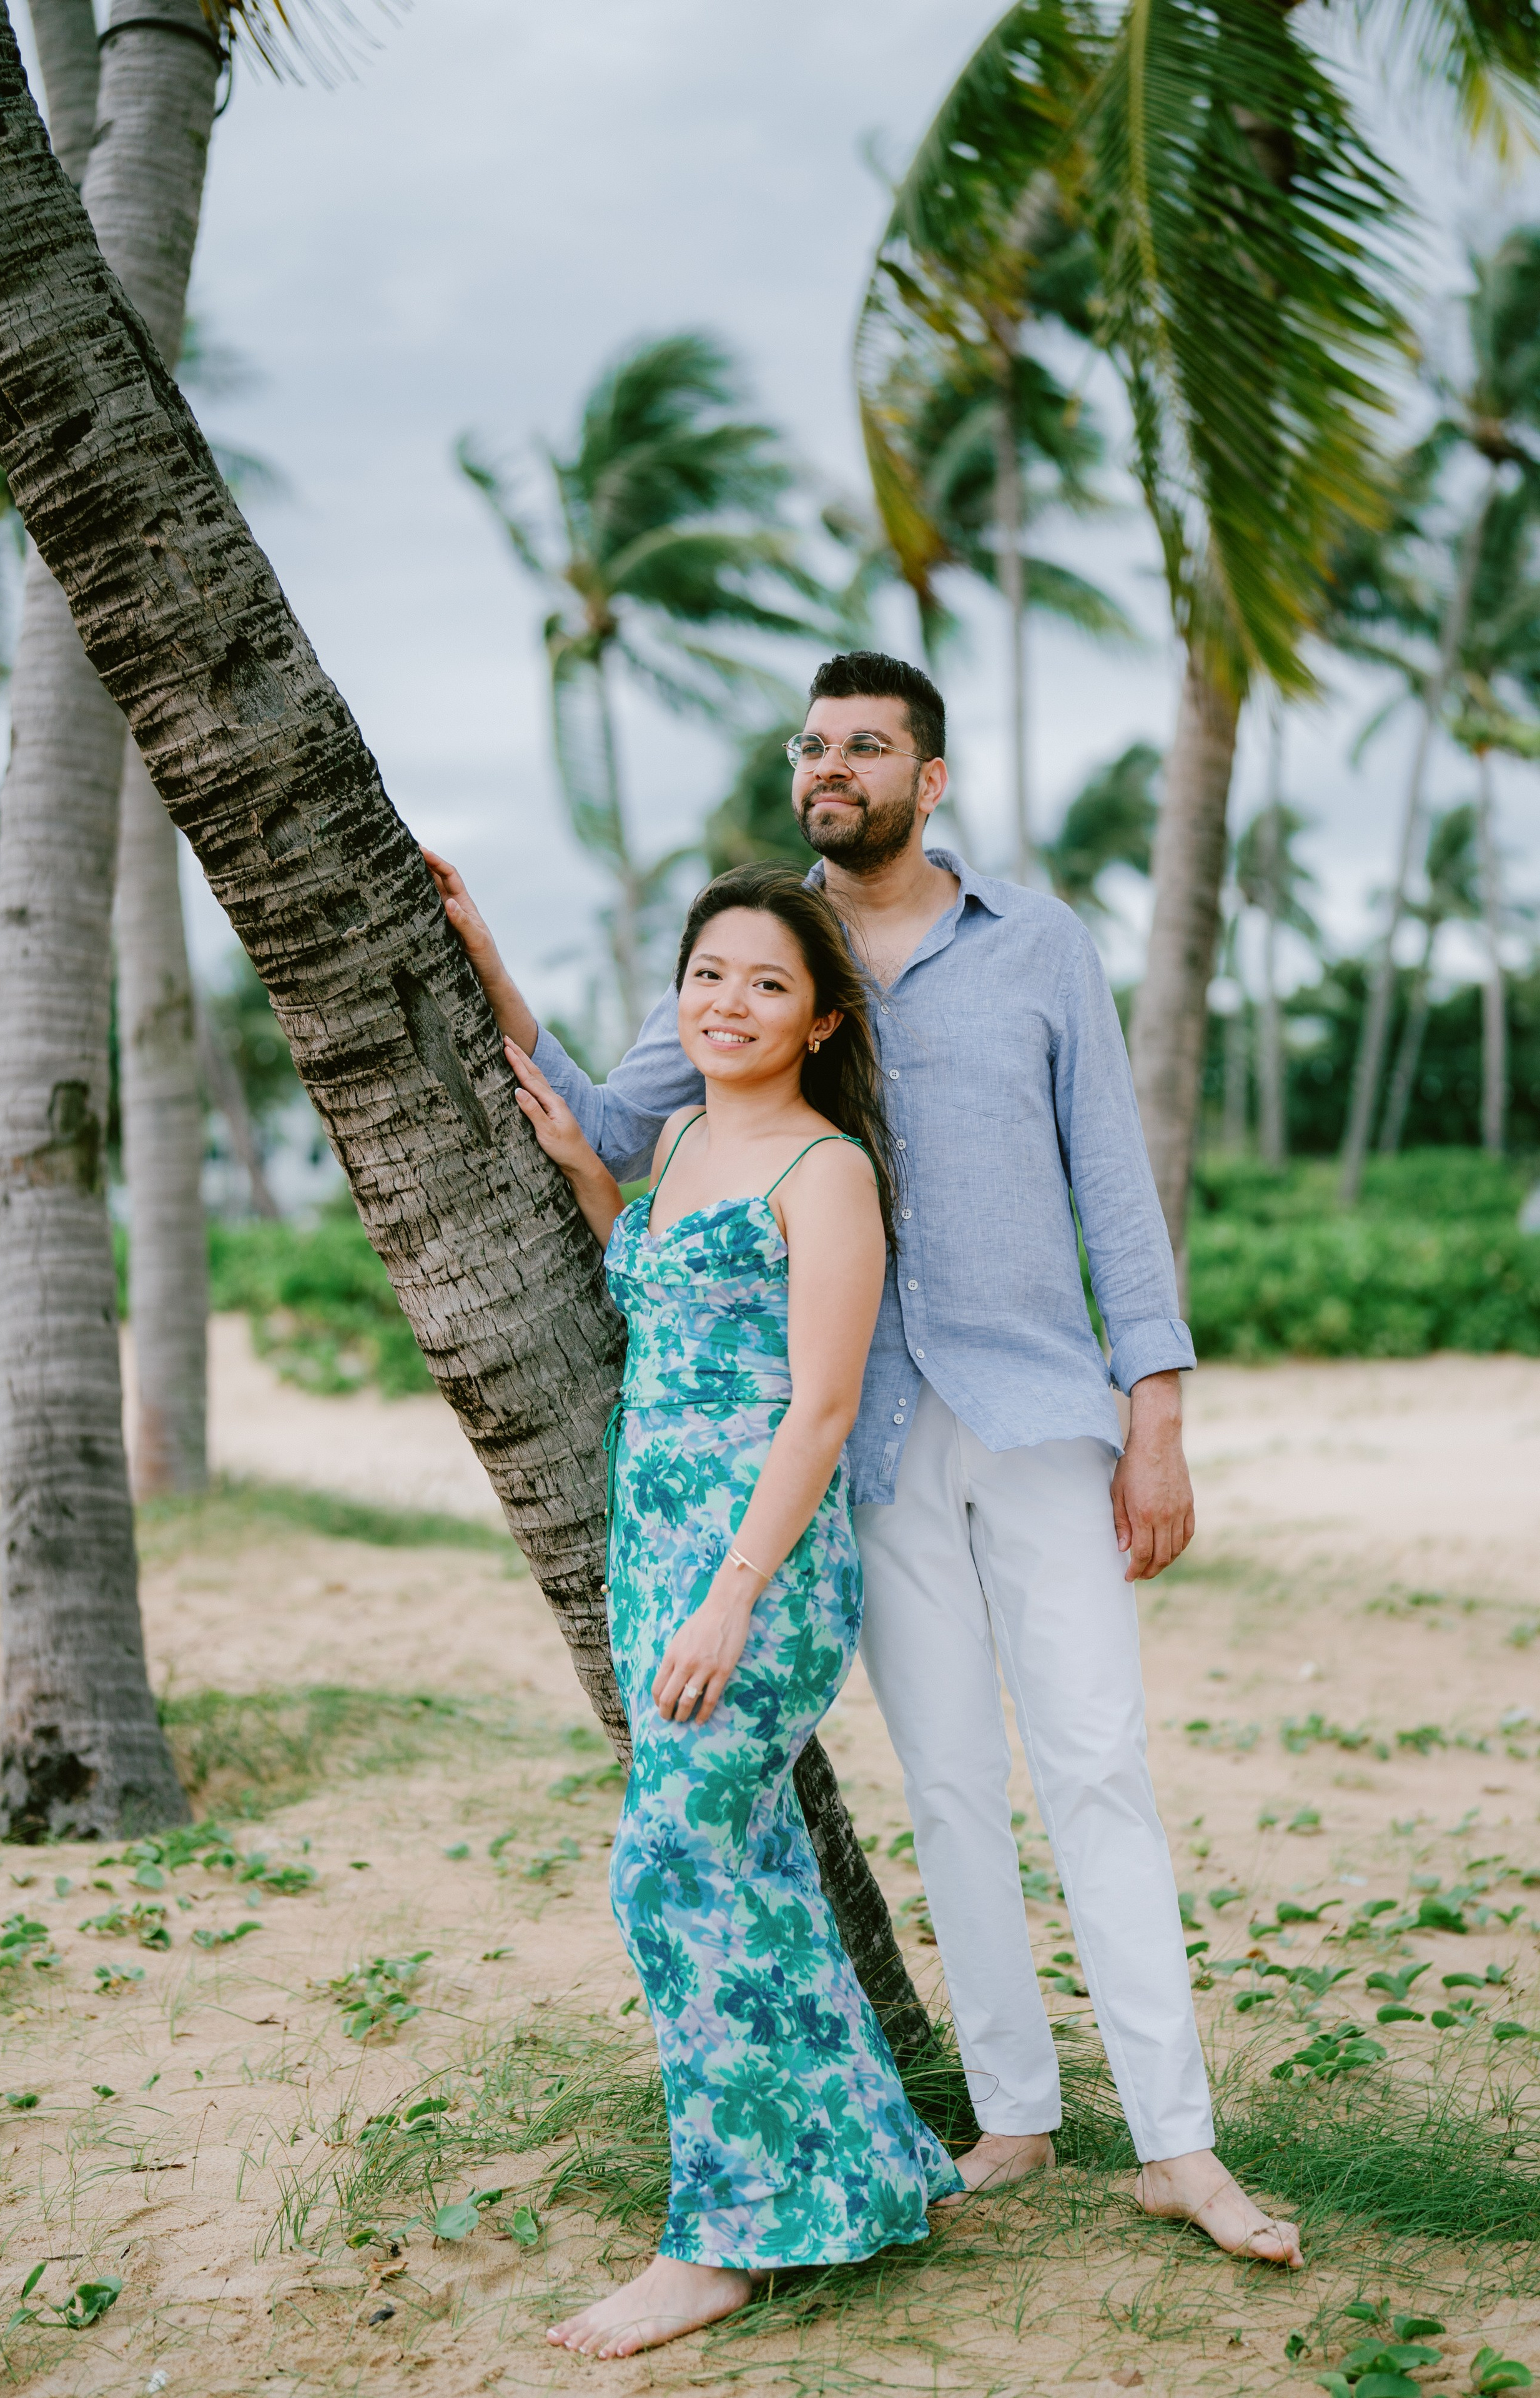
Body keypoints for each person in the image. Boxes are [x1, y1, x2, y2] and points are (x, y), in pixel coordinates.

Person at [425, 649, 1303, 2272]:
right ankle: (1015, 2120)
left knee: (1098, 1762)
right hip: (871, 1438)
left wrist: (1158, 1407)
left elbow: (1113, 1176)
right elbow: (612, 1129)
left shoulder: (1035, 945)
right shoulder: (776, 961)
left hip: (1043, 1414)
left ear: (931, 777)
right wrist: (483, 958)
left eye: (869, 744)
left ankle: (1183, 2146)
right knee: (954, 1785)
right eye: (817, 744)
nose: (835, 765)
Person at [495, 863, 962, 2360]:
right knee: (750, 1866)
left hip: (750, 1576)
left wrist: (729, 1602)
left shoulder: (825, 1173)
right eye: (707, 975)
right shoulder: (686, 1135)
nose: (728, 1003)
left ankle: (723, 2240)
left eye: (766, 984)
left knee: (667, 1870)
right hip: (654, 1554)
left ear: (820, 1019)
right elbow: (655, 1290)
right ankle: (866, 2175)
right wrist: (503, 988)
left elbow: (818, 1408)